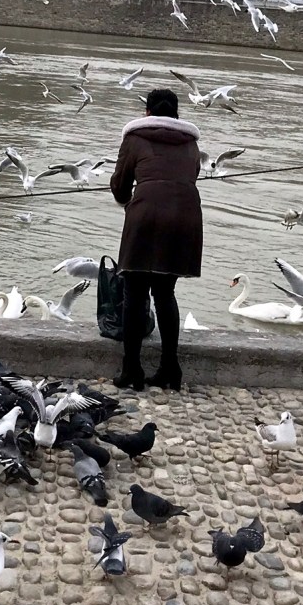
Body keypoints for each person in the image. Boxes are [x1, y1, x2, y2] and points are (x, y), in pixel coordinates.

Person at [108, 87, 203, 391]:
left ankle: (132, 370)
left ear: (147, 113)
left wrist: (129, 198)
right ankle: (170, 369)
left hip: (146, 217)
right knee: (165, 293)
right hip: (185, 218)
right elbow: (190, 175)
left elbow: (121, 187)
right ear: (177, 115)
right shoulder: (191, 145)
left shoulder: (134, 138)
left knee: (134, 294)